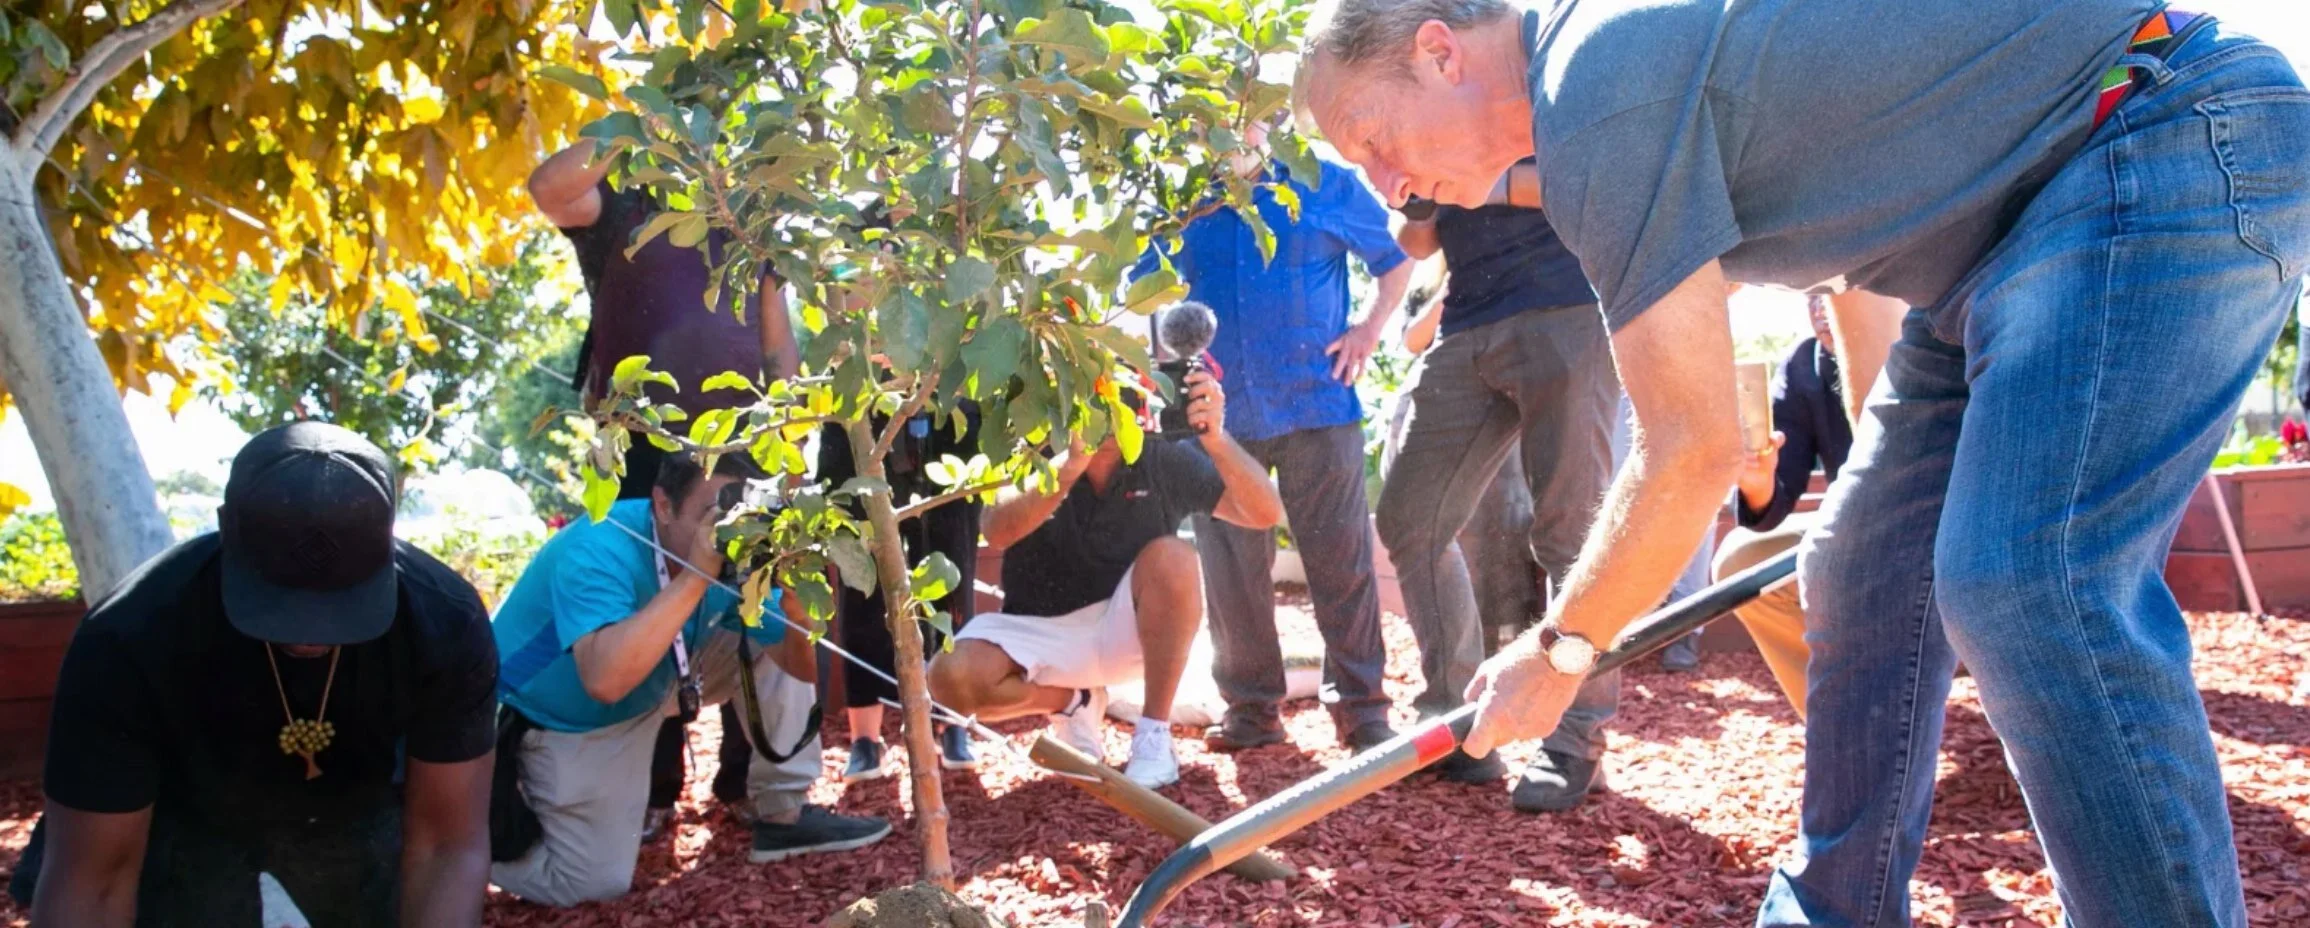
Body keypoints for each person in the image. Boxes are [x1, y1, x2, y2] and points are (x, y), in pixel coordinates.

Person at [1297, 1, 2307, 924]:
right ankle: (1833, 910)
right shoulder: (1597, 95)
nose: (1386, 191)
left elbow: (1690, 447)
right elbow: (1864, 255)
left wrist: (1563, 648)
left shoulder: (1591, 88)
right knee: (1862, 576)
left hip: (2153, 134)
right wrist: (1899, 492)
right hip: (1989, 251)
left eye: (1373, 143)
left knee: (2028, 579)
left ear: (1438, 51)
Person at [20, 421, 496, 927]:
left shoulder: (443, 623)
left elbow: (446, 847)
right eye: (281, 603)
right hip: (173, 827)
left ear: (388, 540)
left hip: (355, 826)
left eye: (341, 605)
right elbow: (95, 880)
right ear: (226, 527)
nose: (312, 634)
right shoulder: (129, 636)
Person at [528, 139, 801, 838]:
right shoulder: (617, 206)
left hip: (742, 443)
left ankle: (755, 788)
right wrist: (632, 120)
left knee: (758, 597)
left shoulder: (750, 219)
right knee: (643, 602)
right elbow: (549, 188)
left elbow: (778, 346)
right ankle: (653, 792)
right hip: (640, 442)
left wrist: (793, 444)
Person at [487, 452, 887, 906]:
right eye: (713, 513)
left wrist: (798, 607)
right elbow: (604, 681)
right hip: (570, 712)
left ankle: (782, 813)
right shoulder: (599, 545)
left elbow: (799, 668)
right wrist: (699, 573)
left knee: (766, 641)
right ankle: (455, 838)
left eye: (743, 513)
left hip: (666, 679)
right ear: (662, 504)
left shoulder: (742, 557)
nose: (729, 531)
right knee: (590, 885)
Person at [1132, 116, 1416, 755]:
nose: (1232, 125)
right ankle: (1252, 711)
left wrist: (1369, 330)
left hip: (1318, 404)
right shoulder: (1182, 202)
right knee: (1231, 573)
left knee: (1341, 562)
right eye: (1218, 112)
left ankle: (1364, 712)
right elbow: (1146, 297)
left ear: (1274, 119)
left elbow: (1393, 263)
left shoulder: (1324, 183)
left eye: (1250, 111)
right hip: (1219, 422)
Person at [1376, 178, 1621, 806]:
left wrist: (1471, 171)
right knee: (1410, 518)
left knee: (1571, 532)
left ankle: (1575, 740)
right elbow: (1416, 239)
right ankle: (1458, 723)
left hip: (1563, 307)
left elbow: (1583, 177)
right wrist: (1419, 196)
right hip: (1466, 324)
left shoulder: (1528, 83)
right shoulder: (1419, 122)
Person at [927, 369, 1284, 789]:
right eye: (1096, 397)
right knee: (950, 678)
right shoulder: (1035, 448)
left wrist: (1216, 440)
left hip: (1126, 630)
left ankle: (1153, 733)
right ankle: (1072, 702)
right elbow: (997, 530)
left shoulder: (1161, 457)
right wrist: (1071, 463)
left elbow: (1265, 514)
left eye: (1120, 397)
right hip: (1039, 632)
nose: (1109, 411)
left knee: (1176, 557)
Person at [1713, 296, 1856, 717]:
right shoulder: (1803, 365)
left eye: (1831, 288)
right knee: (1741, 562)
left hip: (1950, 525)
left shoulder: (1931, 338)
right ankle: (1838, 718)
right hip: (1857, 532)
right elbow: (1774, 500)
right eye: (1811, 292)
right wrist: (1757, 480)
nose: (1819, 305)